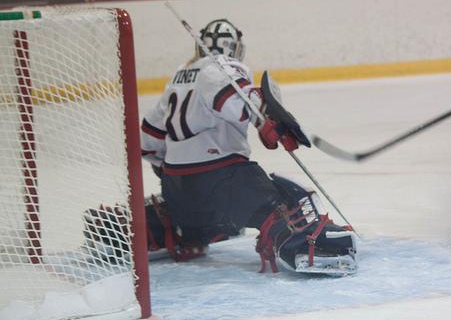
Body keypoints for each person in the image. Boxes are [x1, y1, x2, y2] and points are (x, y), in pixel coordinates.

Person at [83, 19, 357, 275]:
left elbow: (148, 142)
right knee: (281, 202)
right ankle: (307, 243)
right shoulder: (222, 65)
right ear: (234, 47)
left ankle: (138, 229)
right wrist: (269, 121)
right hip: (223, 183)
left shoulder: (179, 76)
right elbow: (234, 100)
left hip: (178, 190)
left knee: (204, 221)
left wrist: (172, 170)